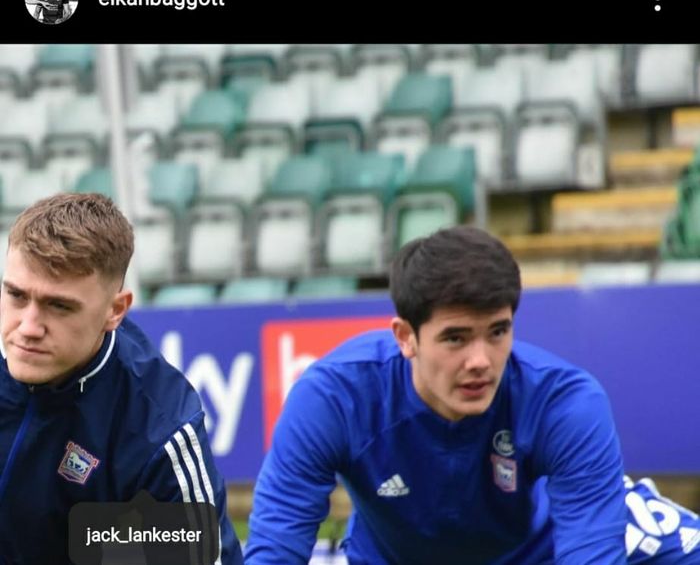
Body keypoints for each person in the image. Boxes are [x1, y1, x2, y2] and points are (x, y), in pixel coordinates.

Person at [245, 225, 700, 564]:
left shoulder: (565, 403)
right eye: (456, 338)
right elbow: (274, 551)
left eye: (498, 332)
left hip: (541, 552)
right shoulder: (333, 397)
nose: (481, 360)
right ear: (406, 337)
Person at [0, 193, 243, 564]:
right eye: (16, 296)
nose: (28, 328)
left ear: (115, 310)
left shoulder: (158, 426)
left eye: (59, 305)